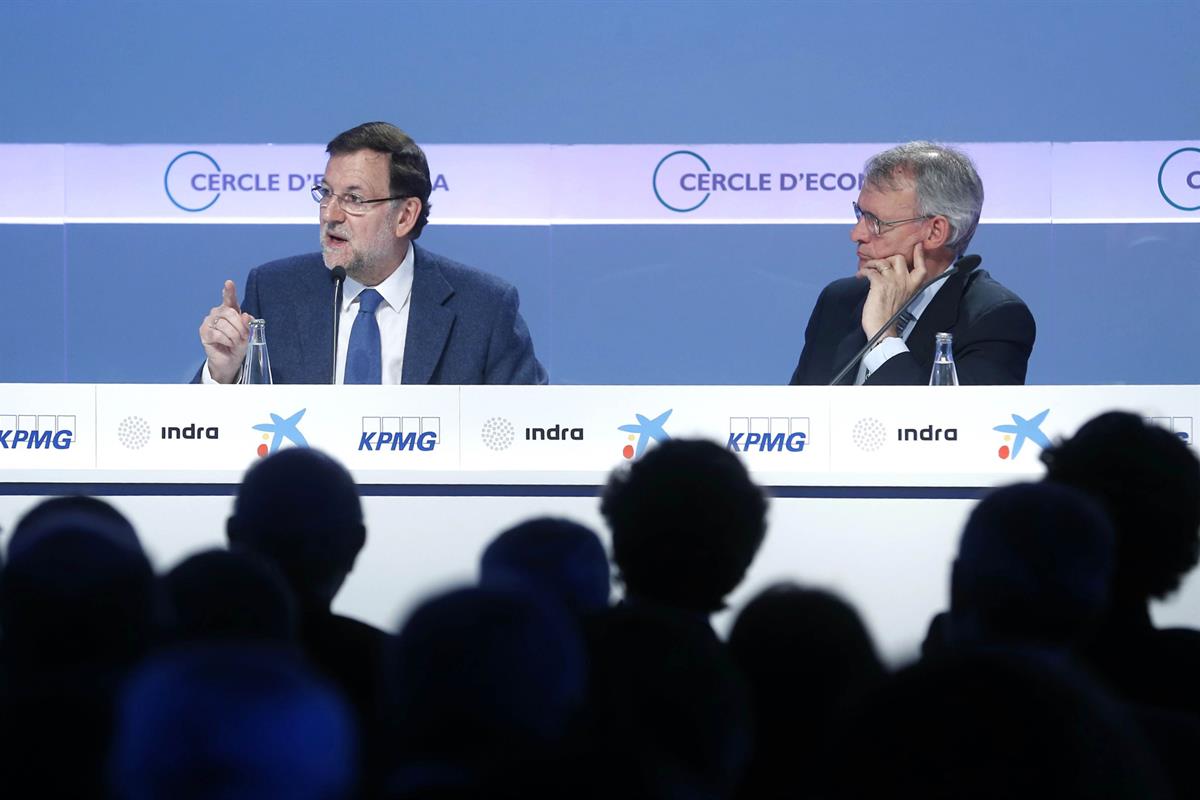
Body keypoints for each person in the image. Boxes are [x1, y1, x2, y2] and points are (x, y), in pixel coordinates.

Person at [196, 121, 547, 385]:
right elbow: (213, 437)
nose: (330, 214)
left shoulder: (483, 310)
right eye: (326, 193)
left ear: (405, 215)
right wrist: (222, 374)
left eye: (354, 199)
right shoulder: (275, 291)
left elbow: (533, 433)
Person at [789, 141, 1035, 385]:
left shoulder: (994, 319)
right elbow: (798, 417)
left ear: (934, 232)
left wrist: (883, 336)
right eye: (860, 214)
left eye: (875, 222)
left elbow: (950, 422)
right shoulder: (839, 301)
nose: (856, 234)